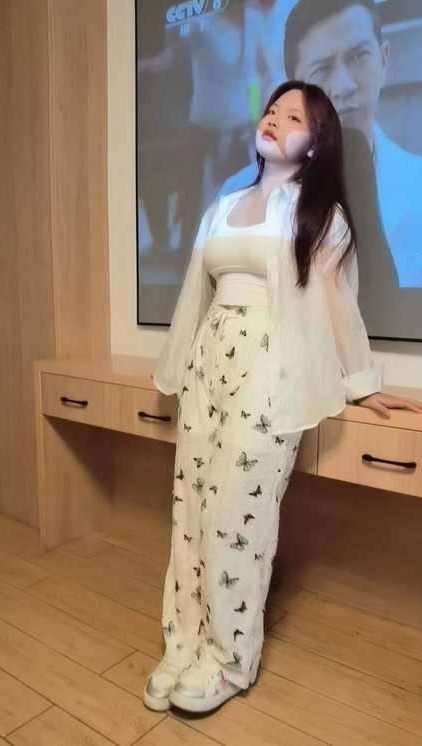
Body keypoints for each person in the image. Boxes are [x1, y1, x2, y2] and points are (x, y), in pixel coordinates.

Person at [144, 81, 422, 715]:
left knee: (235, 518)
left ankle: (228, 662)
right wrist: (174, 371)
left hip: (270, 377)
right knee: (191, 509)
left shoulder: (319, 216)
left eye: (293, 116)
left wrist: (364, 386)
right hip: (209, 369)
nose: (274, 119)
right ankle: (182, 645)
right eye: (272, 110)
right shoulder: (222, 207)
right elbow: (193, 296)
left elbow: (338, 310)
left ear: (316, 143)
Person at [220, 0, 422, 287]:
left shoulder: (417, 184)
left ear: (384, 58)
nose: (344, 86)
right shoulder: (237, 197)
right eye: (322, 70)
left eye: (359, 56)